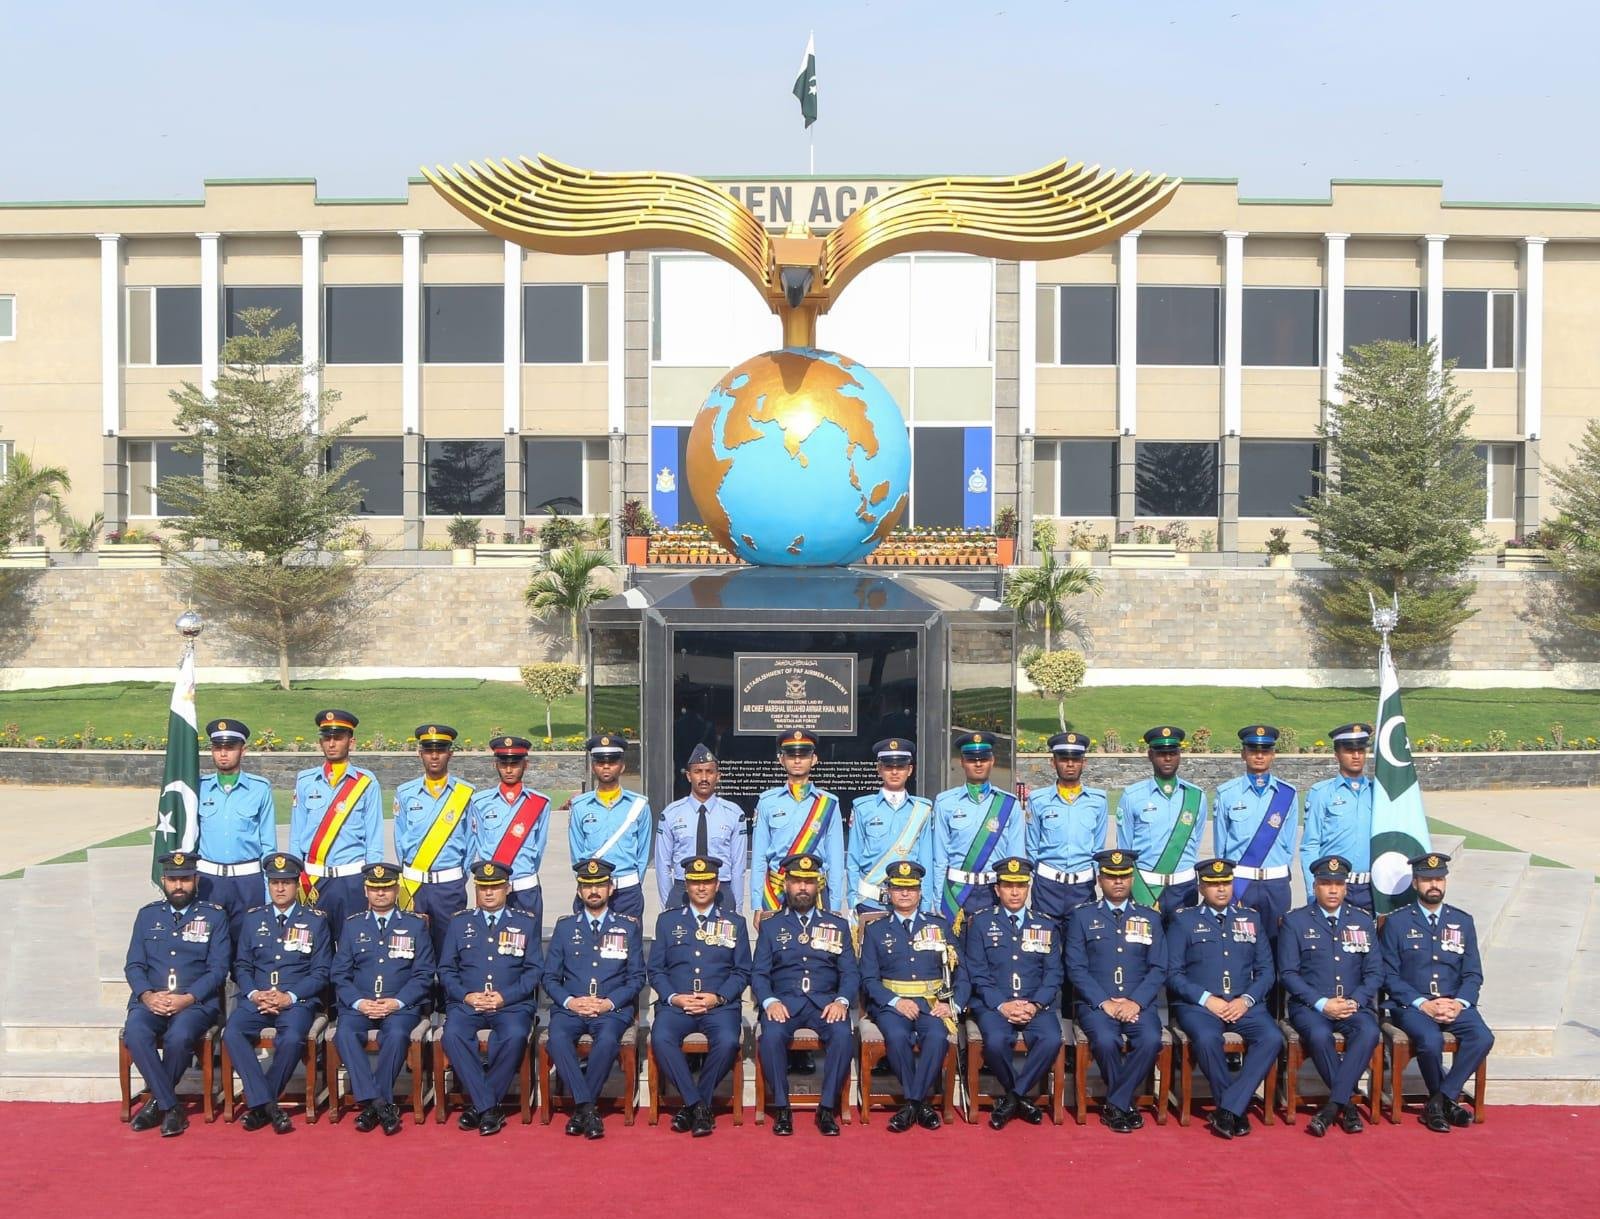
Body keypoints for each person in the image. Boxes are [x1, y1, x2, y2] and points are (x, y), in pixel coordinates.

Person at [1166, 858, 1283, 1139]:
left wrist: (1246, 1000)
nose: (1221, 889)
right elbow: (1172, 973)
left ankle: (1228, 1109)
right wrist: (1208, 999)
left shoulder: (1251, 919)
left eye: (1226, 883)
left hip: (1245, 1005)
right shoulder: (1184, 920)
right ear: (1201, 887)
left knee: (1272, 1038)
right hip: (1201, 1007)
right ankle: (1234, 1108)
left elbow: (1267, 972)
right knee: (1207, 1040)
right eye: (1213, 884)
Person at [1380, 852, 1495, 1133]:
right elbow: (1388, 975)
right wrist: (1423, 1004)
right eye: (1427, 879)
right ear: (1415, 883)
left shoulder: (1462, 921)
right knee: (1430, 1041)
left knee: (1482, 1037)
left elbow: (1472, 974)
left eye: (1439, 879)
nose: (1435, 884)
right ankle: (1445, 1103)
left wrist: (1459, 1003)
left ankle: (1439, 1101)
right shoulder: (1397, 922)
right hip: (1413, 1005)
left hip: (1454, 1003)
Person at [222, 853, 333, 1134]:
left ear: (297, 885)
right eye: (274, 883)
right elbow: (242, 966)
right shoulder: (252, 919)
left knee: (293, 1038)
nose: (279, 888)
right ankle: (269, 1105)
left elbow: (321, 971)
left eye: (285, 882)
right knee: (233, 1032)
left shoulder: (315, 921)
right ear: (268, 885)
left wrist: (290, 997)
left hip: (297, 1002)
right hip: (257, 999)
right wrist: (254, 993)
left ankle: (259, 1104)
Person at [122, 851, 231, 1137]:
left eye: (184, 879)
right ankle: (171, 1107)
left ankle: (158, 1104)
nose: (179, 885)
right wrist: (146, 995)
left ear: (195, 880)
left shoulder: (213, 916)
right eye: (173, 880)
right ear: (163, 881)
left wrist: (188, 998)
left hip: (195, 1003)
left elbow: (218, 969)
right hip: (151, 1000)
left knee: (180, 1036)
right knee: (135, 1032)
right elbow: (133, 965)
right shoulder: (147, 915)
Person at [753, 852, 859, 1136]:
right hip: (784, 1004)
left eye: (809, 882)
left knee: (841, 1035)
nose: (803, 887)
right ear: (785, 884)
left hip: (826, 1004)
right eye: (797, 881)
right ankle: (782, 1108)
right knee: (772, 1036)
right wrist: (769, 1001)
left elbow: (850, 972)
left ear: (818, 885)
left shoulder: (836, 925)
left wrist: (842, 1000)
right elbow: (759, 974)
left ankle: (826, 1108)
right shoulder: (771, 925)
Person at [1278, 854, 1382, 1137]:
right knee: (1319, 1036)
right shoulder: (1295, 922)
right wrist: (1322, 1003)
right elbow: (1288, 973)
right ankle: (1346, 1105)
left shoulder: (1362, 921)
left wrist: (1355, 1001)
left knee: (1369, 1032)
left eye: (1338, 884)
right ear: (1315, 886)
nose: (1333, 890)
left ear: (1346, 887)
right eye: (1326, 883)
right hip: (1311, 1007)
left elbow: (1374, 973)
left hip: (1352, 1004)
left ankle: (1331, 1108)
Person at [1064, 848, 1168, 1133]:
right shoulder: (1082, 917)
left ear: (1132, 878)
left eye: (1124, 876)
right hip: (1096, 1004)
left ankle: (1116, 1103)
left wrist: (1136, 1001)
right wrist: (1104, 1002)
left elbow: (1159, 967)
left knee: (1149, 1039)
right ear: (1100, 879)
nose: (1118, 882)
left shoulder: (1150, 918)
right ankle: (1124, 1104)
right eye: (1111, 877)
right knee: (1106, 1040)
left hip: (1139, 1004)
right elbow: (1075, 968)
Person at [330, 861, 436, 1136]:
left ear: (396, 889)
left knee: (398, 1033)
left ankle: (371, 1107)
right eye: (375, 889)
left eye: (387, 888)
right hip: (360, 1005)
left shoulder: (414, 925)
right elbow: (339, 973)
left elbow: (424, 974)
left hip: (399, 1007)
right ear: (365, 891)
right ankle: (380, 1103)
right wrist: (358, 1002)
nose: (380, 894)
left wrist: (397, 1002)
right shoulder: (352, 926)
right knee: (344, 1034)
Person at [542, 858, 646, 1140]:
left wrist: (609, 1003)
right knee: (557, 1039)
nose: (594, 891)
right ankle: (588, 1108)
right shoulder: (564, 928)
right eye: (587, 886)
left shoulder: (628, 927)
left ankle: (580, 1111)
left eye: (600, 884)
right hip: (571, 1009)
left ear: (611, 888)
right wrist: (570, 1002)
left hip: (611, 1009)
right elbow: (549, 977)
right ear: (579, 892)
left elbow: (637, 978)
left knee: (608, 1041)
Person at [649, 856, 752, 1136]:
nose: (701, 888)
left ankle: (692, 1106)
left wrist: (718, 997)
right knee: (661, 1038)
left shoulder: (735, 922)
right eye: (695, 882)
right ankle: (699, 1107)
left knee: (729, 1041)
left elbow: (743, 971)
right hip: (677, 1005)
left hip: (719, 1006)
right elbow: (656, 970)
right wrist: (674, 998)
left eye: (707, 881)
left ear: (717, 884)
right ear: (686, 885)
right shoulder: (667, 921)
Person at [438, 861, 543, 1137]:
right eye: (483, 887)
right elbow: (446, 970)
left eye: (495, 887)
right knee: (452, 1035)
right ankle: (489, 1107)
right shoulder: (460, 922)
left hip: (510, 1005)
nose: (488, 893)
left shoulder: (525, 922)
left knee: (515, 1034)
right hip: (468, 1003)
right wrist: (467, 995)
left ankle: (480, 1106)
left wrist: (505, 997)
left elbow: (534, 971)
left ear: (507, 888)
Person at [961, 857, 1063, 1130]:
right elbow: (977, 973)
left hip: (1034, 1003)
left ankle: (1012, 1098)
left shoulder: (1045, 924)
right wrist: (1001, 1005)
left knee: (1051, 1038)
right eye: (1008, 886)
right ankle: (1020, 1099)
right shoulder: (980, 923)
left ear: (1029, 887)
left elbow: (1054, 973)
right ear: (997, 889)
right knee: (994, 1042)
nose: (1015, 892)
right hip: (994, 1004)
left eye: (1020, 885)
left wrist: (1036, 1004)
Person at [859, 860, 958, 1133]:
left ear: (920, 892)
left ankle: (912, 1104)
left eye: (911, 888)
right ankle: (922, 1105)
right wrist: (895, 1002)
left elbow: (961, 971)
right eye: (899, 888)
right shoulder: (876, 930)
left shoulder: (939, 926)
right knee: (897, 1036)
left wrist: (950, 1003)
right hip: (891, 1004)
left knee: (937, 1036)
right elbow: (868, 978)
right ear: (888, 892)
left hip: (931, 1004)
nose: (905, 894)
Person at [289, 709, 384, 936]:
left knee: (354, 947)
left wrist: (372, 883)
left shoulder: (366, 783)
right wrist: (295, 877)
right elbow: (296, 835)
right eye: (326, 737)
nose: (331, 743)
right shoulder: (305, 781)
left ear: (351, 742)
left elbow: (374, 838)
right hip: (313, 879)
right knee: (311, 947)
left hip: (351, 880)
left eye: (338, 738)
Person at [393, 724, 475, 959]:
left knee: (450, 954)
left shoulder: (465, 793)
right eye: (429, 750)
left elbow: (471, 843)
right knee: (410, 953)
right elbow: (400, 839)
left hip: (449, 887)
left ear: (451, 752)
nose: (435, 755)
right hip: (413, 885)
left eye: (440, 749)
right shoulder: (405, 792)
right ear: (420, 753)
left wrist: (459, 877)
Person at [1212, 726, 1300, 942]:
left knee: (1278, 944)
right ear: (1243, 754)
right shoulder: (1227, 793)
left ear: (1273, 754)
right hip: (1242, 883)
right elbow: (1221, 845)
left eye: (1265, 750)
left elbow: (1289, 843)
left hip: (1276, 884)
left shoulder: (1287, 794)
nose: (1259, 755)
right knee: (1239, 945)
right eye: (1253, 750)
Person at [930, 731, 1024, 932]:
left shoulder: (1008, 804)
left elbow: (1015, 857)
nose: (978, 764)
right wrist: (938, 900)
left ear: (992, 761)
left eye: (983, 759)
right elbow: (940, 858)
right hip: (957, 892)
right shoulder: (945, 803)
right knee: (956, 956)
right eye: (972, 760)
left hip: (994, 891)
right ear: (962, 762)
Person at [194, 718, 276, 944]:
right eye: (217, 748)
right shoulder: (199, 787)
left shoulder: (260, 789)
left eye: (229, 748)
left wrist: (269, 890)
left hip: (247, 881)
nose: (223, 754)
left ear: (243, 750)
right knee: (207, 944)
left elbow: (268, 844)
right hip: (209, 881)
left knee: (248, 944)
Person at [1115, 727, 1209, 918]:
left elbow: (1195, 841)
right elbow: (1125, 849)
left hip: (1184, 889)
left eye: (1173, 753)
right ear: (1150, 755)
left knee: (1182, 946)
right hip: (1146, 888)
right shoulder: (1132, 796)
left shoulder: (1196, 796)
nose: (1167, 758)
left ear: (1179, 755)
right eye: (1161, 754)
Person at [467, 735, 553, 940]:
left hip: (525, 889)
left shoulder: (540, 803)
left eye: (514, 763)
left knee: (529, 949)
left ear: (526, 764)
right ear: (495, 764)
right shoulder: (479, 802)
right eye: (504, 763)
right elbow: (477, 843)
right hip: (492, 887)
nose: (509, 769)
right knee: (489, 947)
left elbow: (538, 848)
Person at [751, 730, 845, 914]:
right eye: (791, 755)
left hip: (815, 891)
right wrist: (756, 904)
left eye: (803, 756)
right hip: (777, 892)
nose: (797, 761)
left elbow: (835, 859)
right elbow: (759, 857)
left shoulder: (828, 804)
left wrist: (834, 905)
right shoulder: (767, 802)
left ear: (814, 759)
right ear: (781, 759)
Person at [1026, 731, 1108, 929]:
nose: (1070, 764)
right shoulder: (1038, 800)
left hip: (1082, 887)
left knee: (1079, 950)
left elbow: (1098, 846)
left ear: (1084, 763)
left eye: (1075, 759)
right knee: (1044, 948)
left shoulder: (1098, 800)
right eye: (1064, 759)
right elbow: (1031, 845)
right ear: (1053, 762)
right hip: (1047, 887)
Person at [845, 738, 934, 916]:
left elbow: (926, 861)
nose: (894, 772)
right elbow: (853, 859)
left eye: (900, 767)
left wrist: (926, 905)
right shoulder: (863, 808)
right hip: (869, 901)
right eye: (888, 766)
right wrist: (853, 901)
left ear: (910, 770)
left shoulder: (922, 810)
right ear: (879, 769)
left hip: (909, 902)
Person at [568, 734, 652, 921]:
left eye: (612, 761)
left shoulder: (639, 805)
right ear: (593, 766)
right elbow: (577, 852)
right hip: (592, 886)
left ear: (622, 766)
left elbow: (643, 853)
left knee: (628, 947)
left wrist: (634, 883)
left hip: (627, 891)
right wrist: (586, 884)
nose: (606, 766)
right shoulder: (580, 806)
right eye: (600, 762)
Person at [656, 744, 747, 912]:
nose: (704, 778)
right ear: (689, 776)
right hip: (682, 889)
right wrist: (667, 906)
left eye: (709, 772)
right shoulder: (671, 814)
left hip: (722, 889)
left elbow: (738, 867)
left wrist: (737, 909)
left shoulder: (734, 814)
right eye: (698, 772)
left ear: (718, 776)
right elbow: (662, 865)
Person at [1300, 724, 1376, 912]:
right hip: (1333, 885)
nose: (1356, 755)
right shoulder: (1321, 793)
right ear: (1337, 754)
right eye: (1349, 750)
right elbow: (1310, 845)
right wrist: (1313, 889)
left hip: (1371, 890)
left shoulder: (1378, 794)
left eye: (1360, 750)